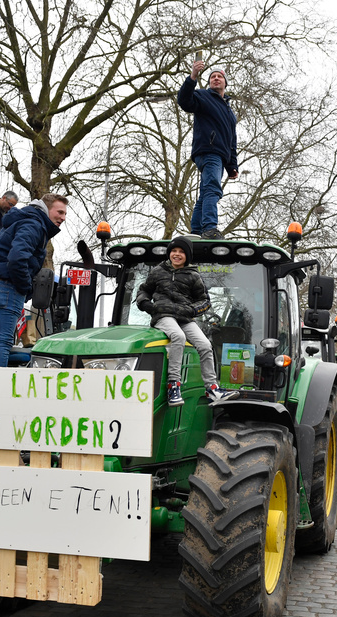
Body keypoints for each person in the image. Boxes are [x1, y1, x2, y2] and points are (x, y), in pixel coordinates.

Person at [135, 235, 235, 405]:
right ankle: (173, 385)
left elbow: (205, 301)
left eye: (181, 251)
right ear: (169, 253)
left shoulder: (193, 275)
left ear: (187, 256)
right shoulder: (158, 272)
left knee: (205, 345)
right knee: (178, 337)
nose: (177, 254)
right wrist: (146, 304)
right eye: (174, 250)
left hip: (185, 318)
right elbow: (144, 291)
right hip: (163, 316)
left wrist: (191, 310)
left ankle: (212, 388)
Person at [0, 193, 66, 367]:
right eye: (60, 212)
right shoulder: (34, 225)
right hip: (6, 286)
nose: (63, 218)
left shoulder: (23, 220)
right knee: (3, 342)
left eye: (65, 214)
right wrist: (25, 286)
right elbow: (17, 258)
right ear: (47, 209)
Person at [177, 61, 239, 238]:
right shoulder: (203, 96)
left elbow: (231, 140)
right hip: (208, 151)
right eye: (213, 77)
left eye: (219, 76)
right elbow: (184, 100)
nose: (216, 79)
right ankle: (210, 229)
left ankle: (196, 231)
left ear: (225, 82)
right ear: (209, 82)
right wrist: (193, 76)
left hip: (220, 156)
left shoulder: (229, 111)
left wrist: (232, 166)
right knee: (213, 189)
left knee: (205, 193)